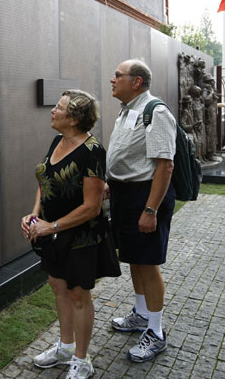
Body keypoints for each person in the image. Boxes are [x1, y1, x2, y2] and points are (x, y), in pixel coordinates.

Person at [21, 90, 121, 379]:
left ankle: (81, 359)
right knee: (57, 285)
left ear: (74, 119)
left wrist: (49, 226)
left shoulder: (93, 151)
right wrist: (34, 215)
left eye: (59, 107)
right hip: (52, 231)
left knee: (78, 294)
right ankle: (65, 347)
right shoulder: (57, 141)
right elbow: (45, 182)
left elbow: (91, 207)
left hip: (80, 236)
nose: (52, 111)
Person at [105, 59, 176, 362]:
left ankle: (156, 332)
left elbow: (165, 164)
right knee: (134, 257)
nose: (112, 79)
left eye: (118, 75)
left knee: (148, 262)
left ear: (136, 82)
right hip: (125, 195)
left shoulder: (156, 111)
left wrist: (151, 209)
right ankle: (141, 313)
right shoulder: (127, 110)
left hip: (145, 196)